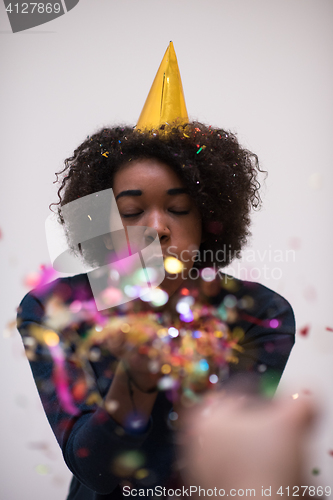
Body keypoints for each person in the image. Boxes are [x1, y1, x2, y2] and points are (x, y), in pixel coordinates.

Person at [16, 44, 295, 500]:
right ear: (101, 221)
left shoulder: (259, 313)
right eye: (131, 211)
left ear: (209, 219)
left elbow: (221, 456)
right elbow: (98, 472)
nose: (158, 228)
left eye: (179, 208)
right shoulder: (54, 309)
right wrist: (137, 376)